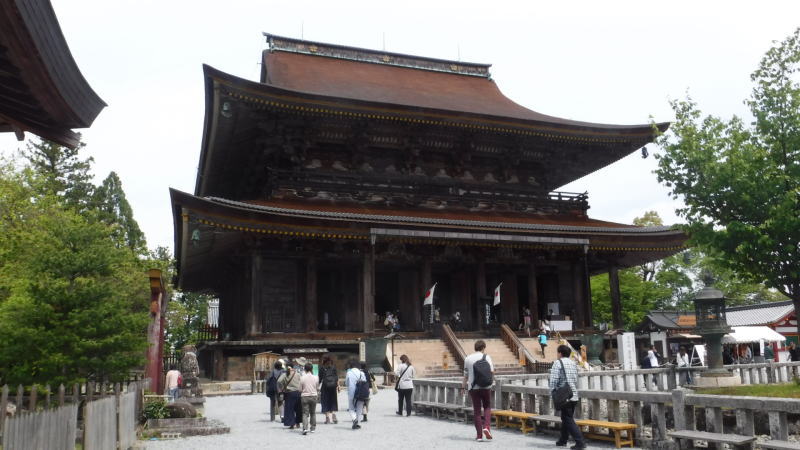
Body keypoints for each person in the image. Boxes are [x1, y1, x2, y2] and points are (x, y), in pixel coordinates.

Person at [549, 344, 586, 449]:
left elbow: (554, 380)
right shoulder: (573, 363)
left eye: (557, 352)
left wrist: (553, 392)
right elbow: (575, 379)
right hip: (573, 394)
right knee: (566, 417)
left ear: (560, 353)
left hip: (564, 395)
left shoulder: (558, 363)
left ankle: (580, 442)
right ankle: (563, 440)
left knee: (567, 418)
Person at [462, 340, 495, 442]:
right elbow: (492, 372)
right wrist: (491, 383)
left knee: (477, 411)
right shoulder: (487, 357)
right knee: (487, 407)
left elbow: (465, 375)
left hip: (473, 387)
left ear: (475, 348)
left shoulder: (467, 358)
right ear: (483, 348)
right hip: (486, 387)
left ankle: (479, 436)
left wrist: (463, 387)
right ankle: (487, 427)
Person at [278, 364, 302, 429]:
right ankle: (298, 423)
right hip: (298, 393)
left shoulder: (285, 374)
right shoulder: (297, 374)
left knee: (290, 409)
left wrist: (282, 387)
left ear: (286, 367)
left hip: (289, 393)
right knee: (298, 409)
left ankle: (292, 424)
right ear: (293, 367)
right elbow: (301, 381)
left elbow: (279, 381)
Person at [346, 359, 367, 429]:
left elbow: (347, 383)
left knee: (351, 408)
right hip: (361, 393)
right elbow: (365, 382)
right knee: (359, 408)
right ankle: (358, 423)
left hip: (352, 392)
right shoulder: (361, 373)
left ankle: (354, 419)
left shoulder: (349, 373)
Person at [300, 362, 319, 435]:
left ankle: (305, 428)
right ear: (312, 369)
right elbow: (317, 387)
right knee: (313, 412)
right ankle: (313, 428)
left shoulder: (302, 377)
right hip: (314, 395)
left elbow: (300, 388)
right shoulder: (316, 377)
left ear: (305, 369)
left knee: (305, 413)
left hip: (305, 396)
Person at [318, 357, 339, 424]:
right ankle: (333, 414)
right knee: (333, 401)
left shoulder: (322, 368)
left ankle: (327, 418)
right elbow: (336, 378)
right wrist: (338, 386)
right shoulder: (333, 368)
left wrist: (317, 387)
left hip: (325, 387)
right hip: (333, 387)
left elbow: (320, 379)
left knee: (325, 401)